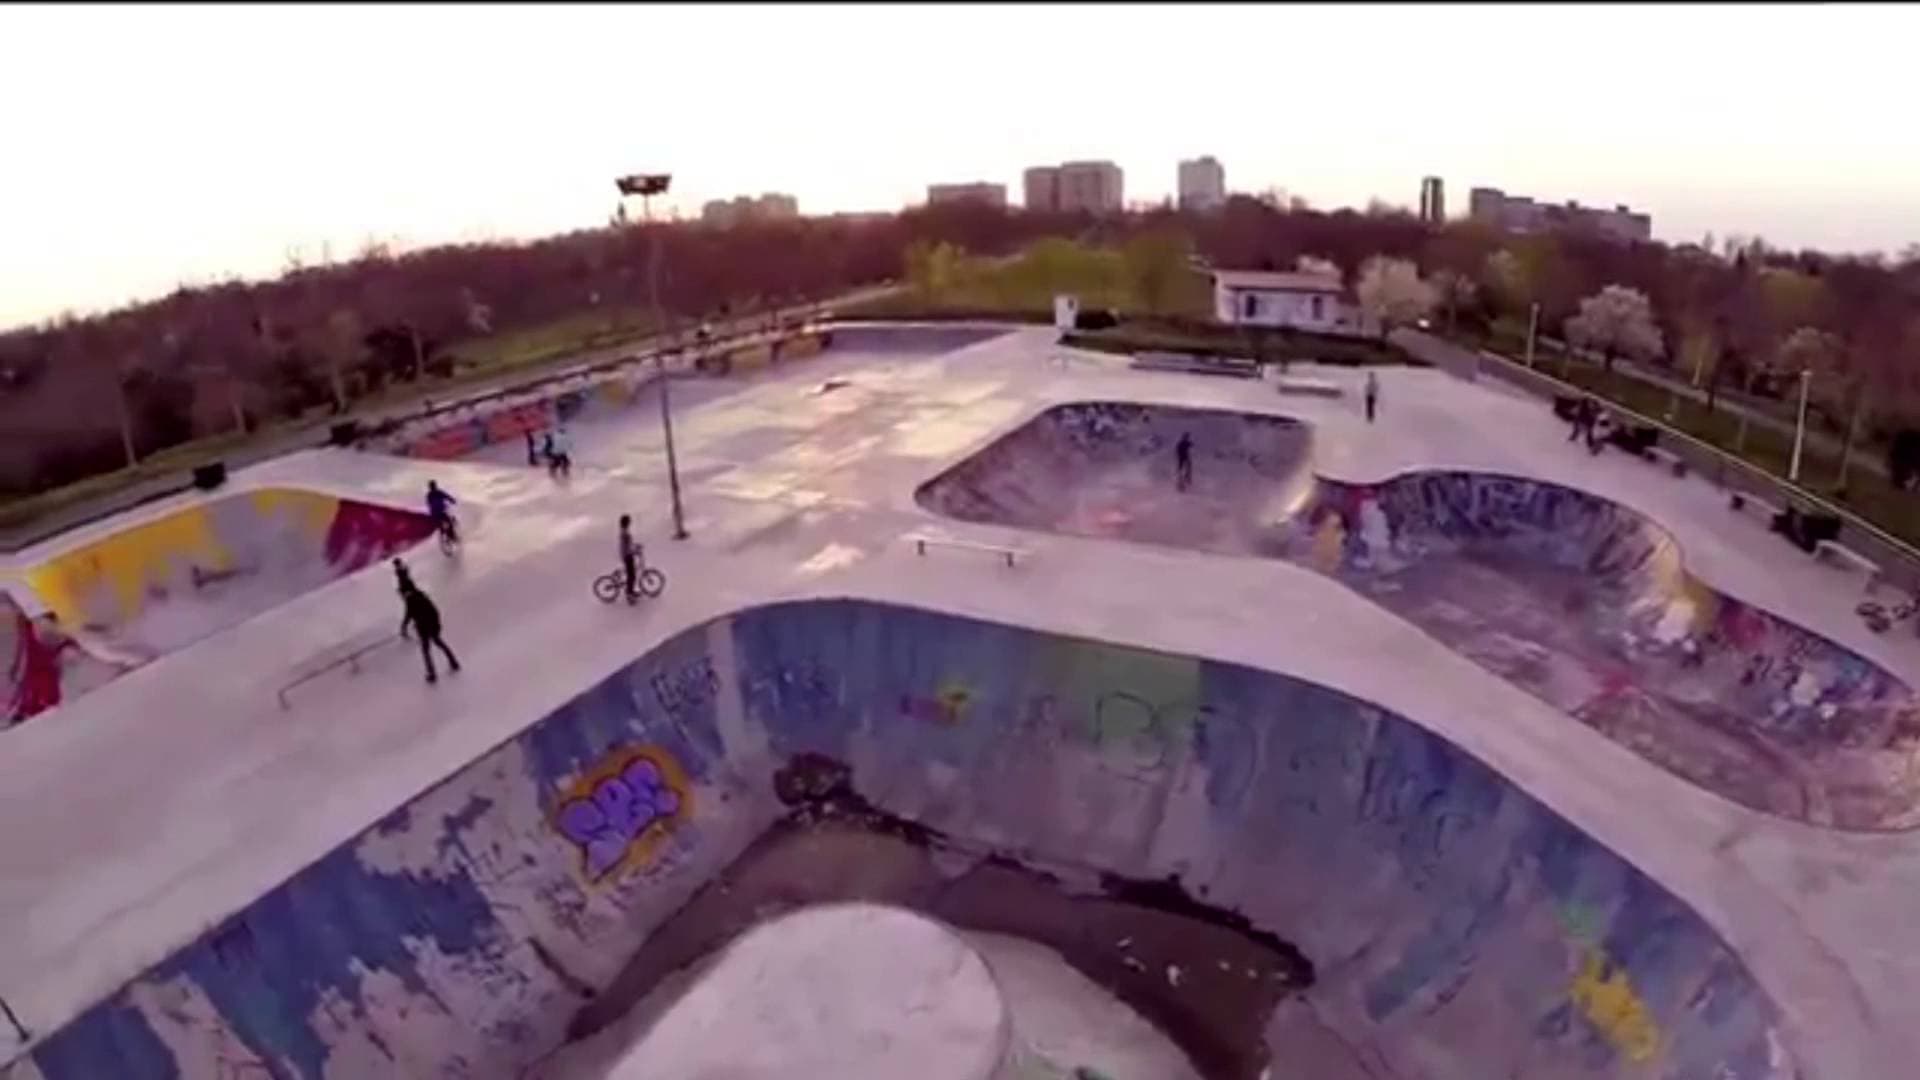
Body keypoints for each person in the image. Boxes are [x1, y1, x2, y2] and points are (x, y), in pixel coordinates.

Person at [395, 560, 461, 684]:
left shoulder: (410, 601)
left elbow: (408, 616)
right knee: (438, 643)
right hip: (431, 624)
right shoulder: (422, 597)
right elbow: (434, 611)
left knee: (426, 650)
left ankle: (432, 673)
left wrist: (404, 628)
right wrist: (436, 624)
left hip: (424, 627)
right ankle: (453, 662)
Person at [618, 514, 642, 604]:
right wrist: (635, 551)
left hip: (627, 555)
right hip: (627, 556)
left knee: (632, 574)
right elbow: (627, 547)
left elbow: (629, 544)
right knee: (631, 576)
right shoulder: (625, 534)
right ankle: (629, 594)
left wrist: (635, 546)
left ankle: (631, 591)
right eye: (629, 521)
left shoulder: (624, 531)